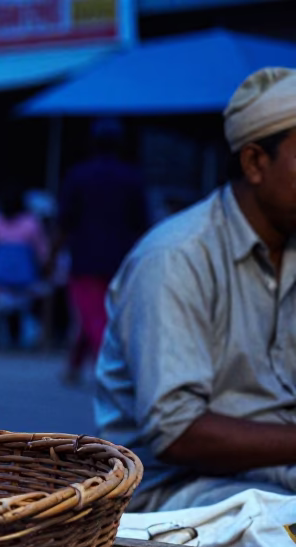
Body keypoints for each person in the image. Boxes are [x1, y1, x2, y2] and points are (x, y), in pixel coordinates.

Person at [97, 67, 296, 513]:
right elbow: (178, 433)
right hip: (179, 491)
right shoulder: (175, 257)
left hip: (275, 477)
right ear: (255, 164)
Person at [59, 119, 148, 385]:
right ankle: (74, 366)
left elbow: (65, 220)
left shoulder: (78, 175)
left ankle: (109, 372)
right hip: (122, 259)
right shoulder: (132, 177)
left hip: (85, 258)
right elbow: (142, 223)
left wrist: (53, 255)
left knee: (93, 316)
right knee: (98, 315)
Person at [0, 186, 49, 349]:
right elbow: (42, 254)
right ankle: (30, 340)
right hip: (26, 284)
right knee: (31, 306)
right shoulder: (32, 223)